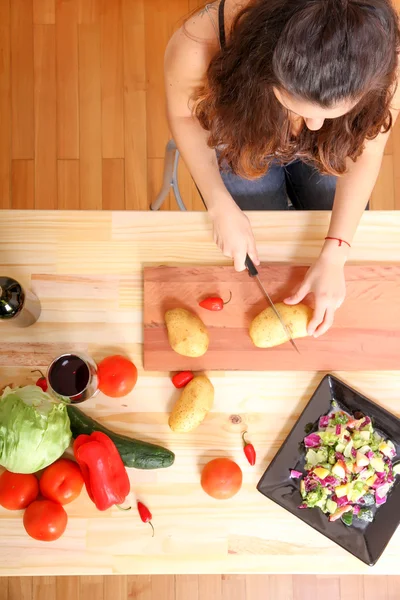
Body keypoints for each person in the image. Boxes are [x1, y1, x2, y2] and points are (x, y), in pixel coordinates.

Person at [164, 0, 399, 337]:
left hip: (336, 149)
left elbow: (368, 148)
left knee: (329, 203)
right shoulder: (197, 45)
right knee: (256, 220)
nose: (314, 126)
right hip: (246, 135)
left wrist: (336, 252)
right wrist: (218, 204)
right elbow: (185, 116)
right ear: (262, 64)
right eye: (299, 106)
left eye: (330, 112)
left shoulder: (388, 57)